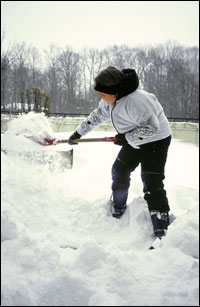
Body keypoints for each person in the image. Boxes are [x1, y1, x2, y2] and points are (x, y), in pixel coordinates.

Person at [68, 66, 172, 239]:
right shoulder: (108, 102)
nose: (100, 97)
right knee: (119, 170)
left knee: (151, 181)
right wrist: (78, 133)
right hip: (133, 137)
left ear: (115, 91)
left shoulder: (138, 101)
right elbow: (97, 116)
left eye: (102, 93)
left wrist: (126, 138)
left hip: (155, 140)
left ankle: (161, 225)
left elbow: (151, 127)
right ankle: (118, 204)